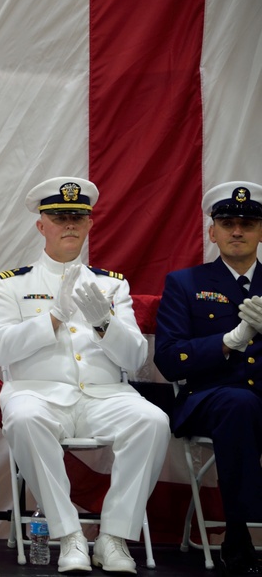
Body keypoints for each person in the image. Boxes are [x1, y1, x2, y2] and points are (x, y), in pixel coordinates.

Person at [0, 177, 170, 574]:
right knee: (23, 417)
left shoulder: (110, 285)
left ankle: (113, 537)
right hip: (38, 394)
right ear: (41, 225)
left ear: (89, 224)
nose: (69, 224)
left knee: (153, 421)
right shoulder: (12, 284)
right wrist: (52, 317)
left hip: (104, 395)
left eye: (78, 217)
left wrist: (104, 322)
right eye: (59, 217)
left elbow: (136, 356)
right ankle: (69, 533)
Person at [155, 181, 262, 576]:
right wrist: (229, 341)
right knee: (239, 404)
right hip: (209, 399)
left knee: (248, 406)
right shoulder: (186, 284)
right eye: (228, 222)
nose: (237, 231)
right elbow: (168, 359)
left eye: (248, 224)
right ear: (211, 231)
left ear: (261, 232)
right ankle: (239, 532)